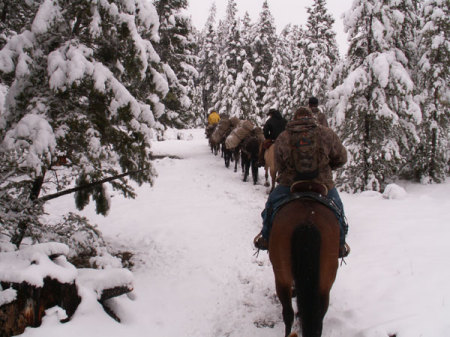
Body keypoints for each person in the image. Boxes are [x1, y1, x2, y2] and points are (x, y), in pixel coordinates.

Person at [253, 106, 350, 258]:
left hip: (290, 184)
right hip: (322, 184)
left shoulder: (284, 137)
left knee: (270, 206)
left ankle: (265, 238)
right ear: (312, 117)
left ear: (294, 119)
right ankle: (340, 244)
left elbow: (278, 165)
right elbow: (342, 158)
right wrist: (328, 167)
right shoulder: (326, 133)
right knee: (338, 210)